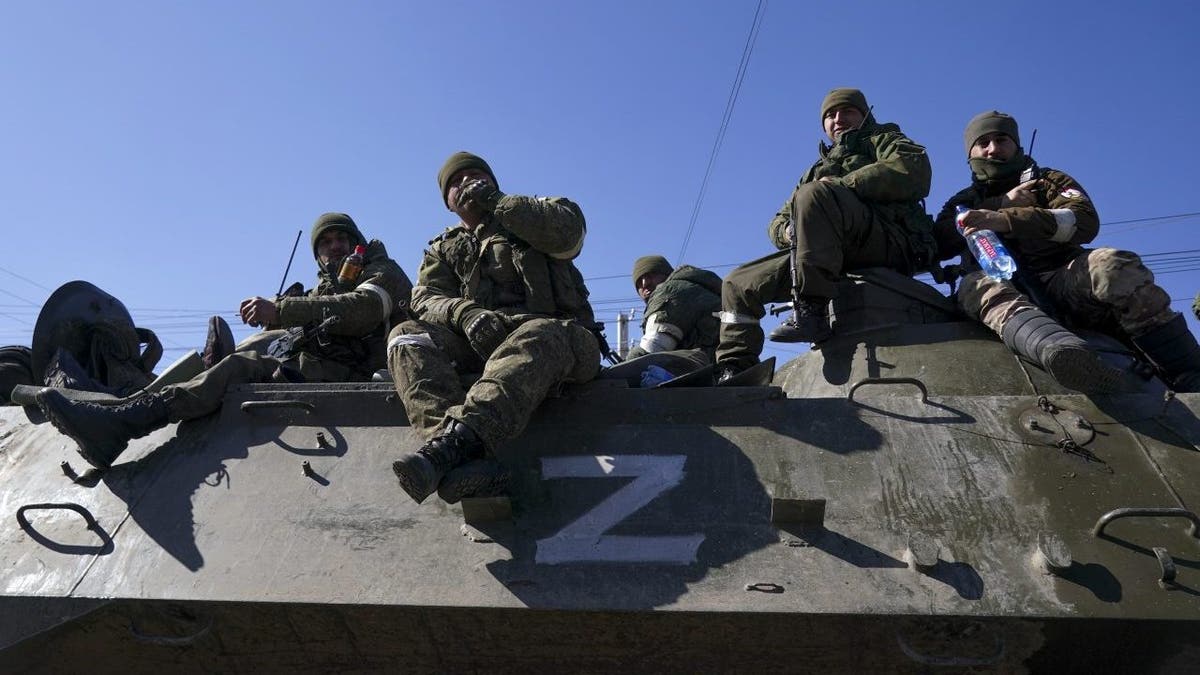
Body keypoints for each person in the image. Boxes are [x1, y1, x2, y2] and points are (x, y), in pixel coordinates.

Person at [36, 213, 414, 468]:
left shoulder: (381, 269)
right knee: (247, 360)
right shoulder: (321, 289)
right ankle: (133, 408)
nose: (335, 246)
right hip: (316, 372)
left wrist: (281, 311)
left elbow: (363, 309)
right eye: (326, 242)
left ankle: (127, 420)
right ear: (317, 255)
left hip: (364, 376)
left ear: (357, 243)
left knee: (246, 360)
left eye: (342, 238)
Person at [387, 152, 601, 505]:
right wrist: (465, 314)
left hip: (563, 340)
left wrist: (497, 202)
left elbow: (568, 236)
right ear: (448, 203)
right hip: (486, 344)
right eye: (455, 182)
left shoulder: (536, 211)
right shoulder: (442, 249)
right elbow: (425, 298)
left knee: (538, 332)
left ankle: (451, 449)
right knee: (406, 336)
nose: (466, 183)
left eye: (475, 175)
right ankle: (463, 462)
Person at [937, 110, 1200, 393]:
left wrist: (1008, 218)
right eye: (983, 143)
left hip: (1062, 279)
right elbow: (937, 243)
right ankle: (1067, 356)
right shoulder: (963, 202)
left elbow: (1085, 221)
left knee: (1111, 265)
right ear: (971, 153)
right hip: (1005, 295)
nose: (993, 149)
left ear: (1016, 145)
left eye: (1001, 140)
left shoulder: (1047, 181)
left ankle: (1188, 371)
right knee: (974, 285)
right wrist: (998, 204)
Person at [714, 88, 936, 380]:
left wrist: (843, 185)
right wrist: (787, 230)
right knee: (739, 283)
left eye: (847, 111)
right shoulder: (815, 170)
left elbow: (912, 170)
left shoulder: (884, 140)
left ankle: (811, 310)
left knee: (815, 194)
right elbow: (778, 219)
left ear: (865, 115)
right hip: (826, 252)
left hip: (887, 239)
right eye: (830, 115)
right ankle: (735, 367)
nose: (838, 119)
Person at [626, 255, 721, 361]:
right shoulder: (698, 287)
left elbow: (651, 350)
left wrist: (617, 371)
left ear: (667, 274)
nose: (644, 283)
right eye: (639, 282)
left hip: (709, 372)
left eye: (651, 275)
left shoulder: (670, 291)